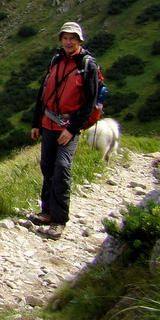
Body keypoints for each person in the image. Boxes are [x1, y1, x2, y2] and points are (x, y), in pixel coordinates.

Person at [29, 21, 99, 240]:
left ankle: (59, 220)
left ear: (79, 41)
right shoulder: (56, 60)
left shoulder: (87, 65)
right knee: (47, 167)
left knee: (62, 168)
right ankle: (46, 212)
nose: (69, 42)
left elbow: (90, 102)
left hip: (68, 127)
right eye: (65, 38)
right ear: (61, 39)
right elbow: (44, 93)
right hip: (48, 124)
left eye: (73, 38)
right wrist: (36, 122)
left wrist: (72, 129)